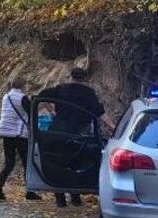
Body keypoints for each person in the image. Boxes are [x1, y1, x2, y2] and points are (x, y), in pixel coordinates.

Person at [38, 67, 115, 208]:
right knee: (75, 162)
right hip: (79, 133)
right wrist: (114, 129)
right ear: (85, 79)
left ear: (71, 77)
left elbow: (41, 96)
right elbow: (100, 114)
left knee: (58, 162)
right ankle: (75, 196)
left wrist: (52, 110)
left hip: (58, 131)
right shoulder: (89, 94)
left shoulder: (61, 89)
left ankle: (60, 198)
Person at [0, 77, 41, 202]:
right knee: (27, 163)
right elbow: (32, 113)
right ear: (23, 86)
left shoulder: (6, 97)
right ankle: (30, 192)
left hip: (6, 134)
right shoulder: (22, 98)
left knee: (8, 163)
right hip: (19, 135)